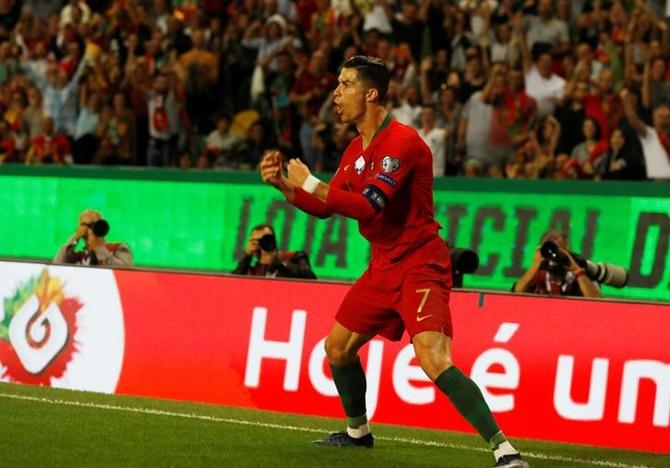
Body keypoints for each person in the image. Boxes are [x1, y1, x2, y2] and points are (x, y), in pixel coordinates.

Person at [259, 56, 529, 468]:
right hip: (383, 265)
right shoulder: (355, 149)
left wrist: (311, 181)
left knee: (434, 359)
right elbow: (327, 206)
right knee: (337, 348)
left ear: (370, 93)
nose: (336, 93)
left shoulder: (402, 142)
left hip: (420, 264)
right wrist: (286, 188)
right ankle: (357, 433)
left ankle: (504, 451)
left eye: (345, 84)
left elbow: (369, 206)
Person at [512, 230, 600, 298]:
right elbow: (514, 296)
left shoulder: (582, 270)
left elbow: (599, 303)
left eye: (558, 250)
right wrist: (534, 266)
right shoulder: (538, 274)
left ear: (567, 250)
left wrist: (577, 271)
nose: (553, 255)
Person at [232, 224, 316, 279]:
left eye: (265, 239)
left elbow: (311, 279)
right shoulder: (250, 269)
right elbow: (231, 285)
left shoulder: (294, 257)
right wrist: (246, 257)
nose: (262, 244)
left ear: (274, 241)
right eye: (256, 241)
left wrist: (279, 264)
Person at [53, 209, 132, 267]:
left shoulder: (118, 248)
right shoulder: (79, 257)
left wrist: (98, 248)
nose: (93, 229)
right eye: (87, 226)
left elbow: (124, 271)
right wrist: (75, 237)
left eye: (97, 224)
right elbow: (57, 265)